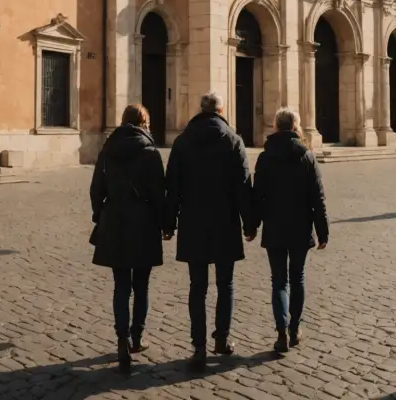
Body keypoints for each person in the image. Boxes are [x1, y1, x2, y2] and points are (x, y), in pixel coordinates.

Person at [163, 92, 254, 371]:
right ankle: (222, 340)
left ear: (200, 110)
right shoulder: (233, 141)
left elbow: (172, 187)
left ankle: (199, 347)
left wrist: (168, 223)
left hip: (193, 223)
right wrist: (250, 223)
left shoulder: (182, 142)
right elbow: (242, 186)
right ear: (221, 110)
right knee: (225, 285)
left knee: (197, 288)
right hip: (225, 223)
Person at [89, 104, 165, 373]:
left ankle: (121, 339)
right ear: (144, 123)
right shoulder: (150, 153)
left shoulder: (108, 150)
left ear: (123, 122)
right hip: (143, 222)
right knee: (141, 285)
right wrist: (166, 224)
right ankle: (137, 338)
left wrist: (101, 214)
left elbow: (96, 188)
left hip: (115, 221)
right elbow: (159, 193)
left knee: (121, 285)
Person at [252, 108, 328, 354]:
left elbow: (257, 195)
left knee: (278, 281)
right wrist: (322, 230)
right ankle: (295, 328)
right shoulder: (307, 156)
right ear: (296, 127)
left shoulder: (265, 157)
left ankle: (281, 330)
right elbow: (317, 196)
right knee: (298, 277)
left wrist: (251, 225)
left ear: (276, 126)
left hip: (274, 226)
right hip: (300, 226)